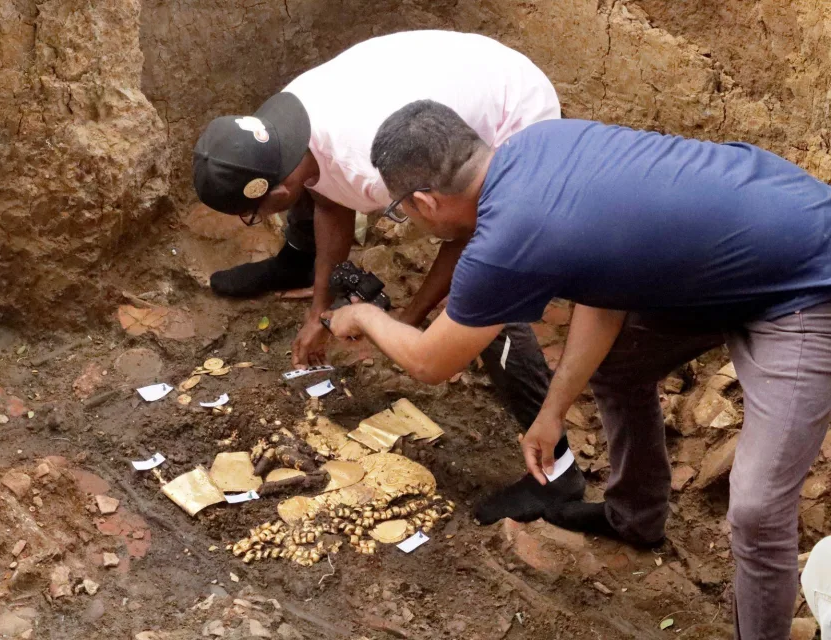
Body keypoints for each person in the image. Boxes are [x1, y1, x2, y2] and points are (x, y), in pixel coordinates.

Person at [325, 99, 831, 640]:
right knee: (618, 365)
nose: (408, 220)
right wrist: (551, 413)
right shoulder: (539, 145)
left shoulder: (506, 239)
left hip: (809, 284)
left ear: (425, 201)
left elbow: (430, 361)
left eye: (402, 210)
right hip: (743, 248)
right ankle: (635, 517)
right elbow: (606, 289)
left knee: (756, 512)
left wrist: (363, 314)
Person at [193, 30, 586, 523]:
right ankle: (294, 262)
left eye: (254, 214)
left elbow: (463, 235)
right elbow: (331, 202)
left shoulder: (369, 163)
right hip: (450, 83)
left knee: (490, 291)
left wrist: (407, 320)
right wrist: (320, 309)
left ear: (277, 190)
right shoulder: (287, 130)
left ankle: (558, 475)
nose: (253, 223)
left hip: (511, 114)